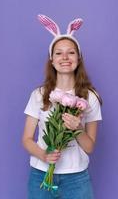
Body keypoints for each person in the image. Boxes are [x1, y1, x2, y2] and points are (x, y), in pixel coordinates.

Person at [22, 14, 102, 199]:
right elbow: (26, 139)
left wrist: (78, 129)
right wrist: (43, 155)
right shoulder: (39, 94)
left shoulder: (90, 97)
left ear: (79, 58)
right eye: (58, 53)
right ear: (52, 59)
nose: (65, 57)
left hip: (77, 179)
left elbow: (89, 147)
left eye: (71, 52)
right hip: (40, 175)